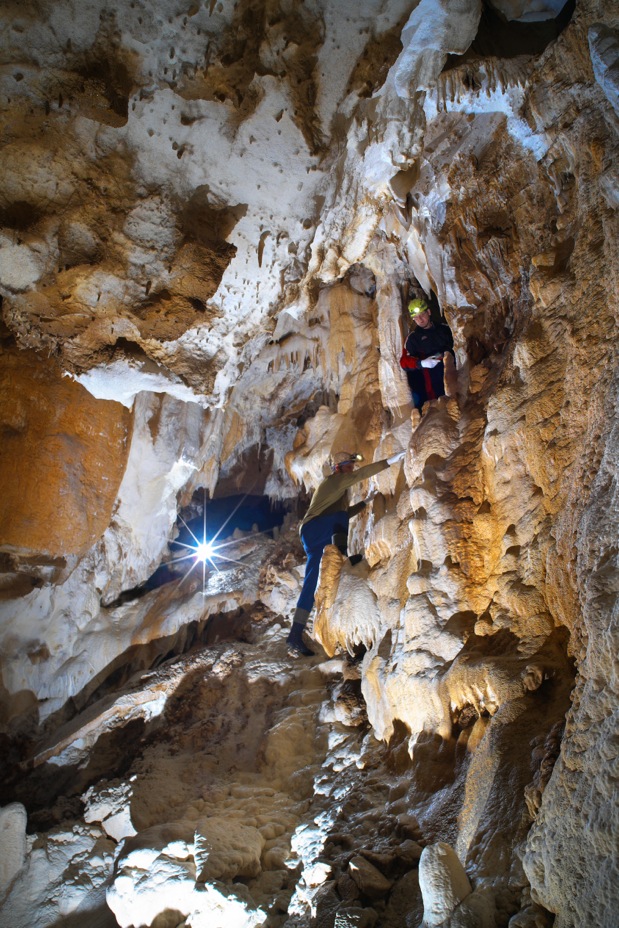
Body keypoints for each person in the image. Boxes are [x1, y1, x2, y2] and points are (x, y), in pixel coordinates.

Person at [287, 449, 406, 656]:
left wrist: (365, 503)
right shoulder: (333, 481)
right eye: (348, 467)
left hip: (317, 531)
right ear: (338, 468)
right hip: (314, 529)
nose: (351, 470)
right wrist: (390, 461)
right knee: (339, 525)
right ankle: (344, 560)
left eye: (352, 467)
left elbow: (343, 513)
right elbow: (359, 478)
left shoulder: (337, 493)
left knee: (312, 580)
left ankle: (295, 633)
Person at [400, 298, 455, 413]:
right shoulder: (413, 338)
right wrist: (421, 363)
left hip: (454, 377)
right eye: (416, 318)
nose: (420, 319)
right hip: (432, 386)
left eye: (422, 315)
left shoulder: (445, 329)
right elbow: (404, 362)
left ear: (428, 312)